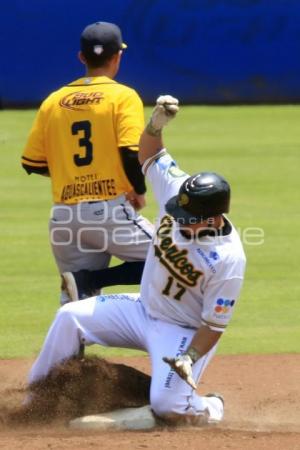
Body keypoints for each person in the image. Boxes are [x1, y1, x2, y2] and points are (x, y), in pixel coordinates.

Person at [28, 96, 246, 425]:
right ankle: (36, 402)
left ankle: (211, 407)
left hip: (183, 333)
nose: (179, 216)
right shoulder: (177, 192)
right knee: (69, 317)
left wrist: (189, 358)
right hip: (141, 309)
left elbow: (214, 324)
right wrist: (155, 126)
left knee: (167, 406)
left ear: (214, 217)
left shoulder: (228, 259)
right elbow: (151, 154)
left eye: (189, 216)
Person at [21, 21, 152, 303]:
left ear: (82, 57)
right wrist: (138, 189)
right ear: (118, 56)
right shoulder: (123, 96)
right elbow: (130, 152)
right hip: (109, 211)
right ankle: (92, 280)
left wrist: (71, 175)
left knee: (77, 303)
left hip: (63, 216)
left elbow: (31, 162)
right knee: (178, 261)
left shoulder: (53, 101)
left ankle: (71, 341)